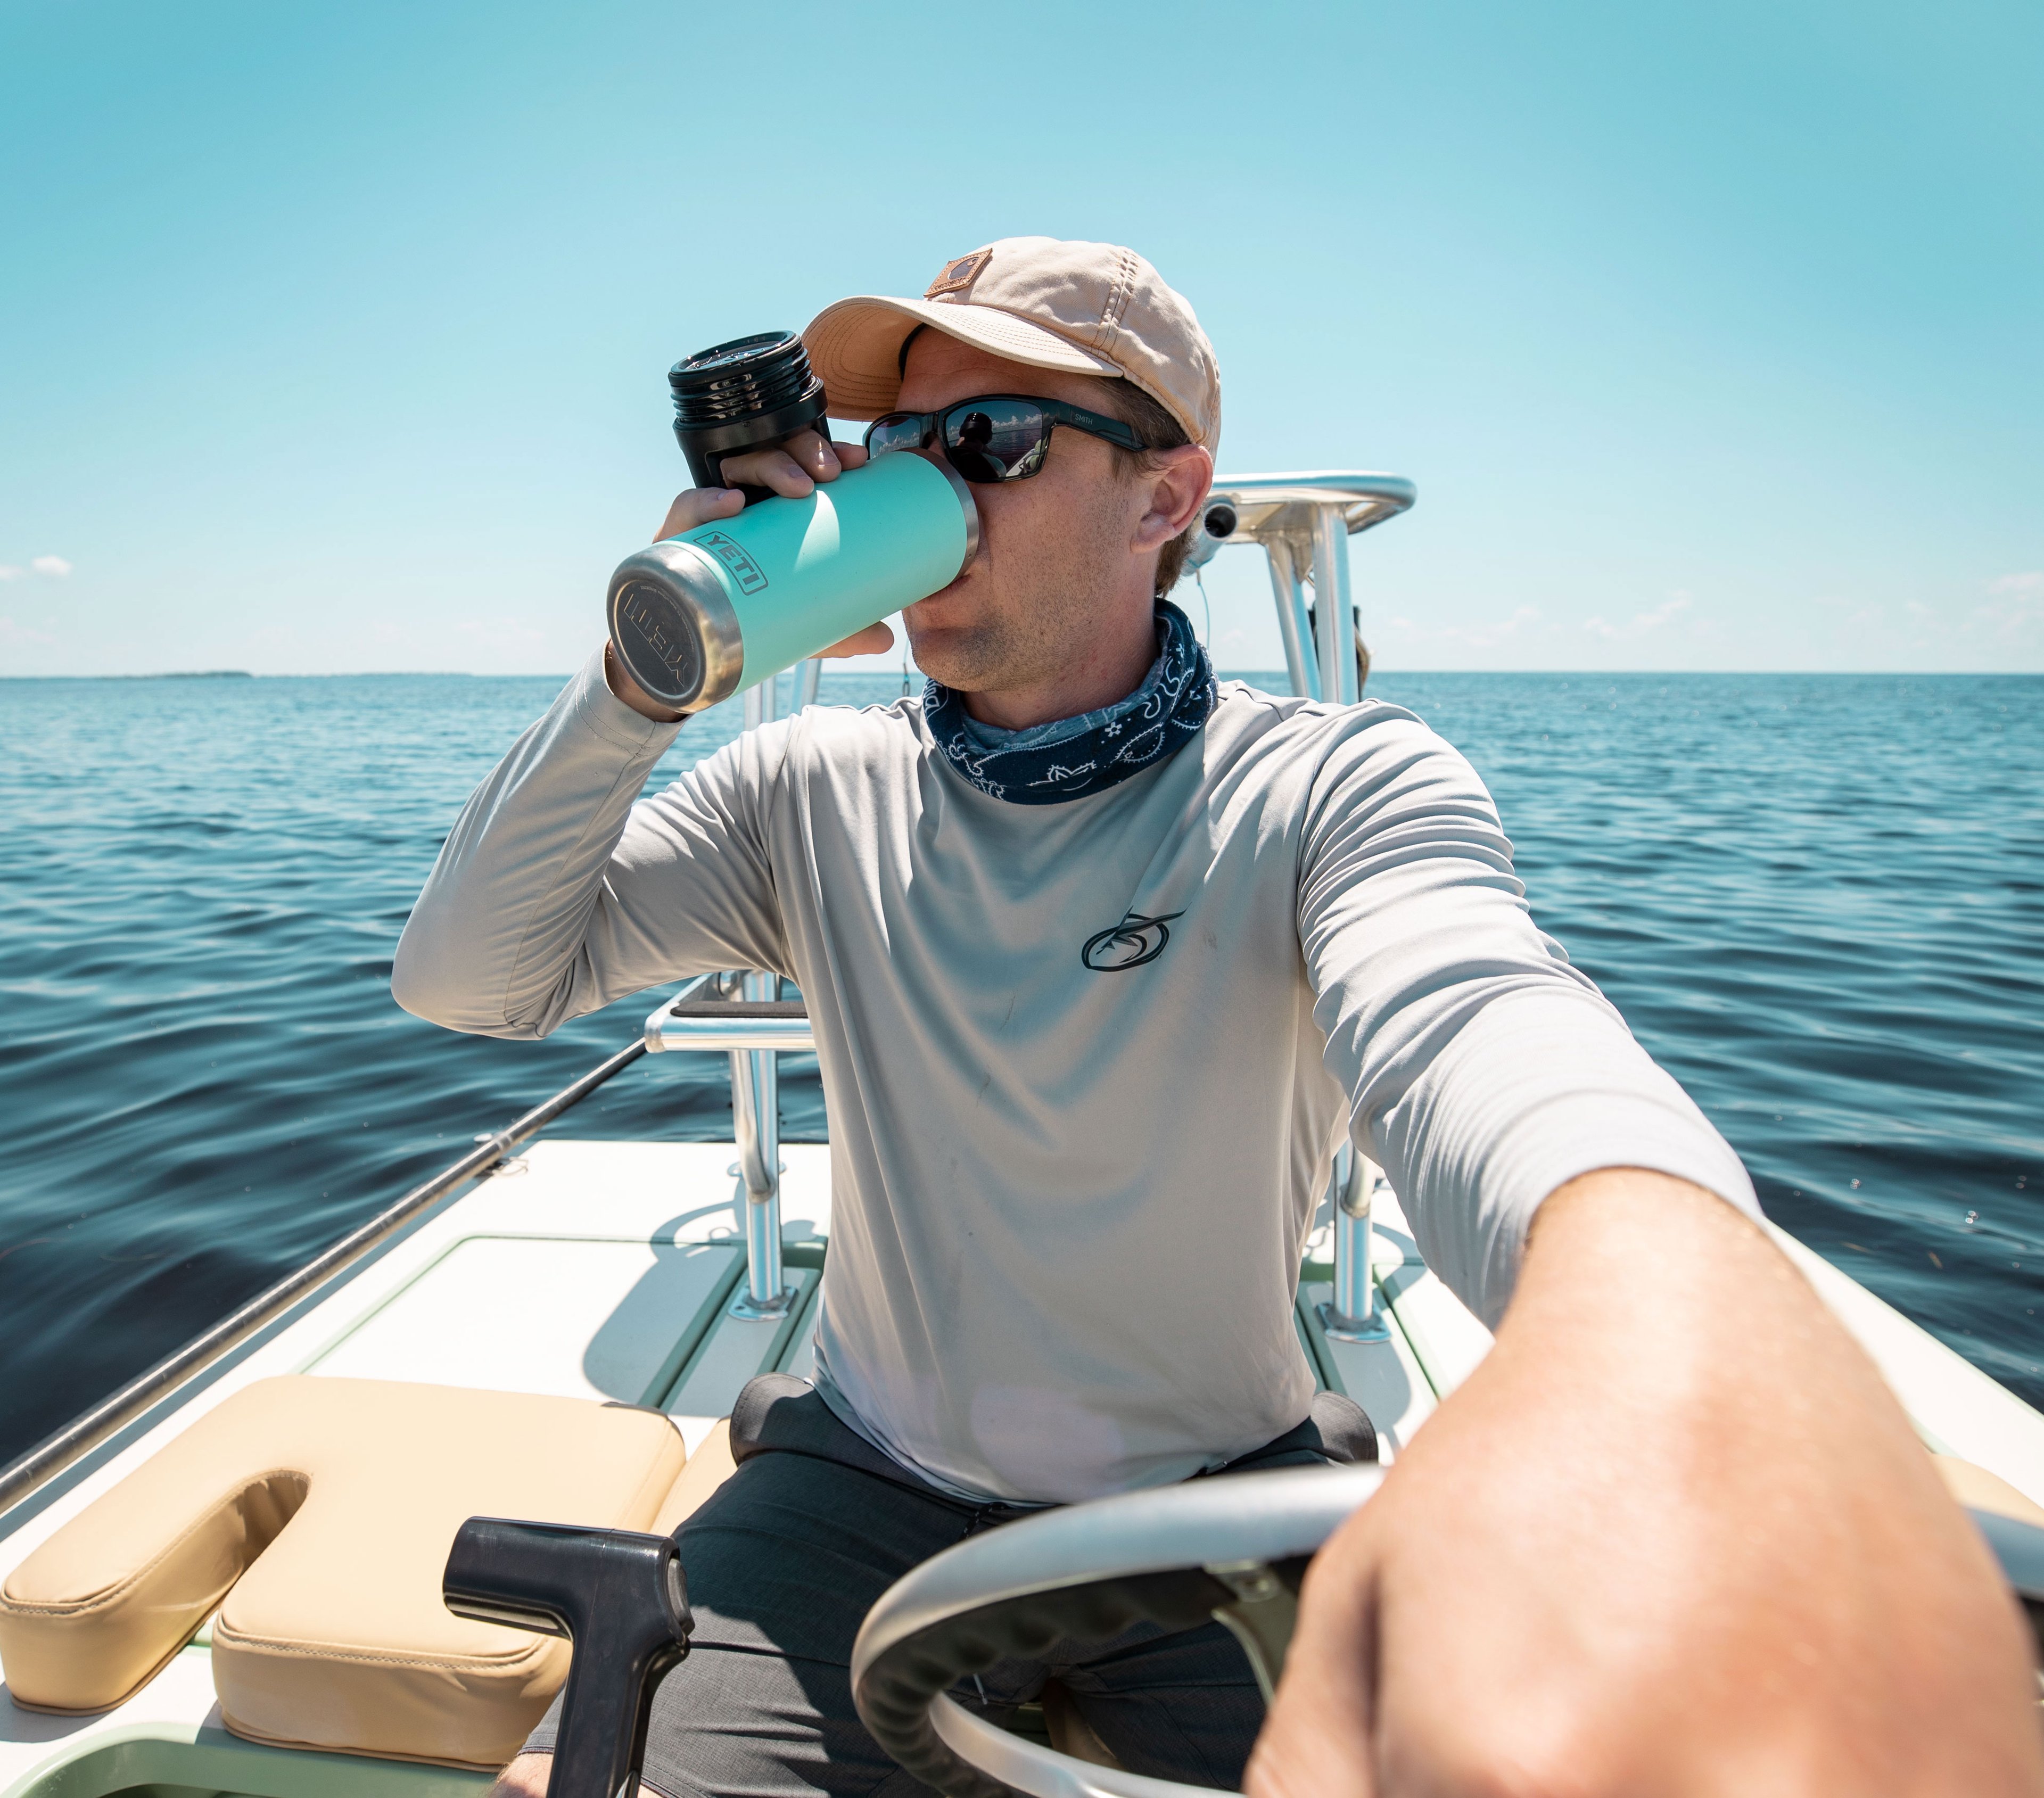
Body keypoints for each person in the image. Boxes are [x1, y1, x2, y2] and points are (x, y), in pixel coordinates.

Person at [393, 237, 2043, 1796]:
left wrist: (1673, 1333)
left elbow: (1485, 1025)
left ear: (1164, 496)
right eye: (894, 443)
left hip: (1215, 1499)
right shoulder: (806, 790)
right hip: (857, 1473)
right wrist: (646, 668)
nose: (919, 490)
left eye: (985, 439)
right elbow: (471, 978)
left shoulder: (1328, 786)